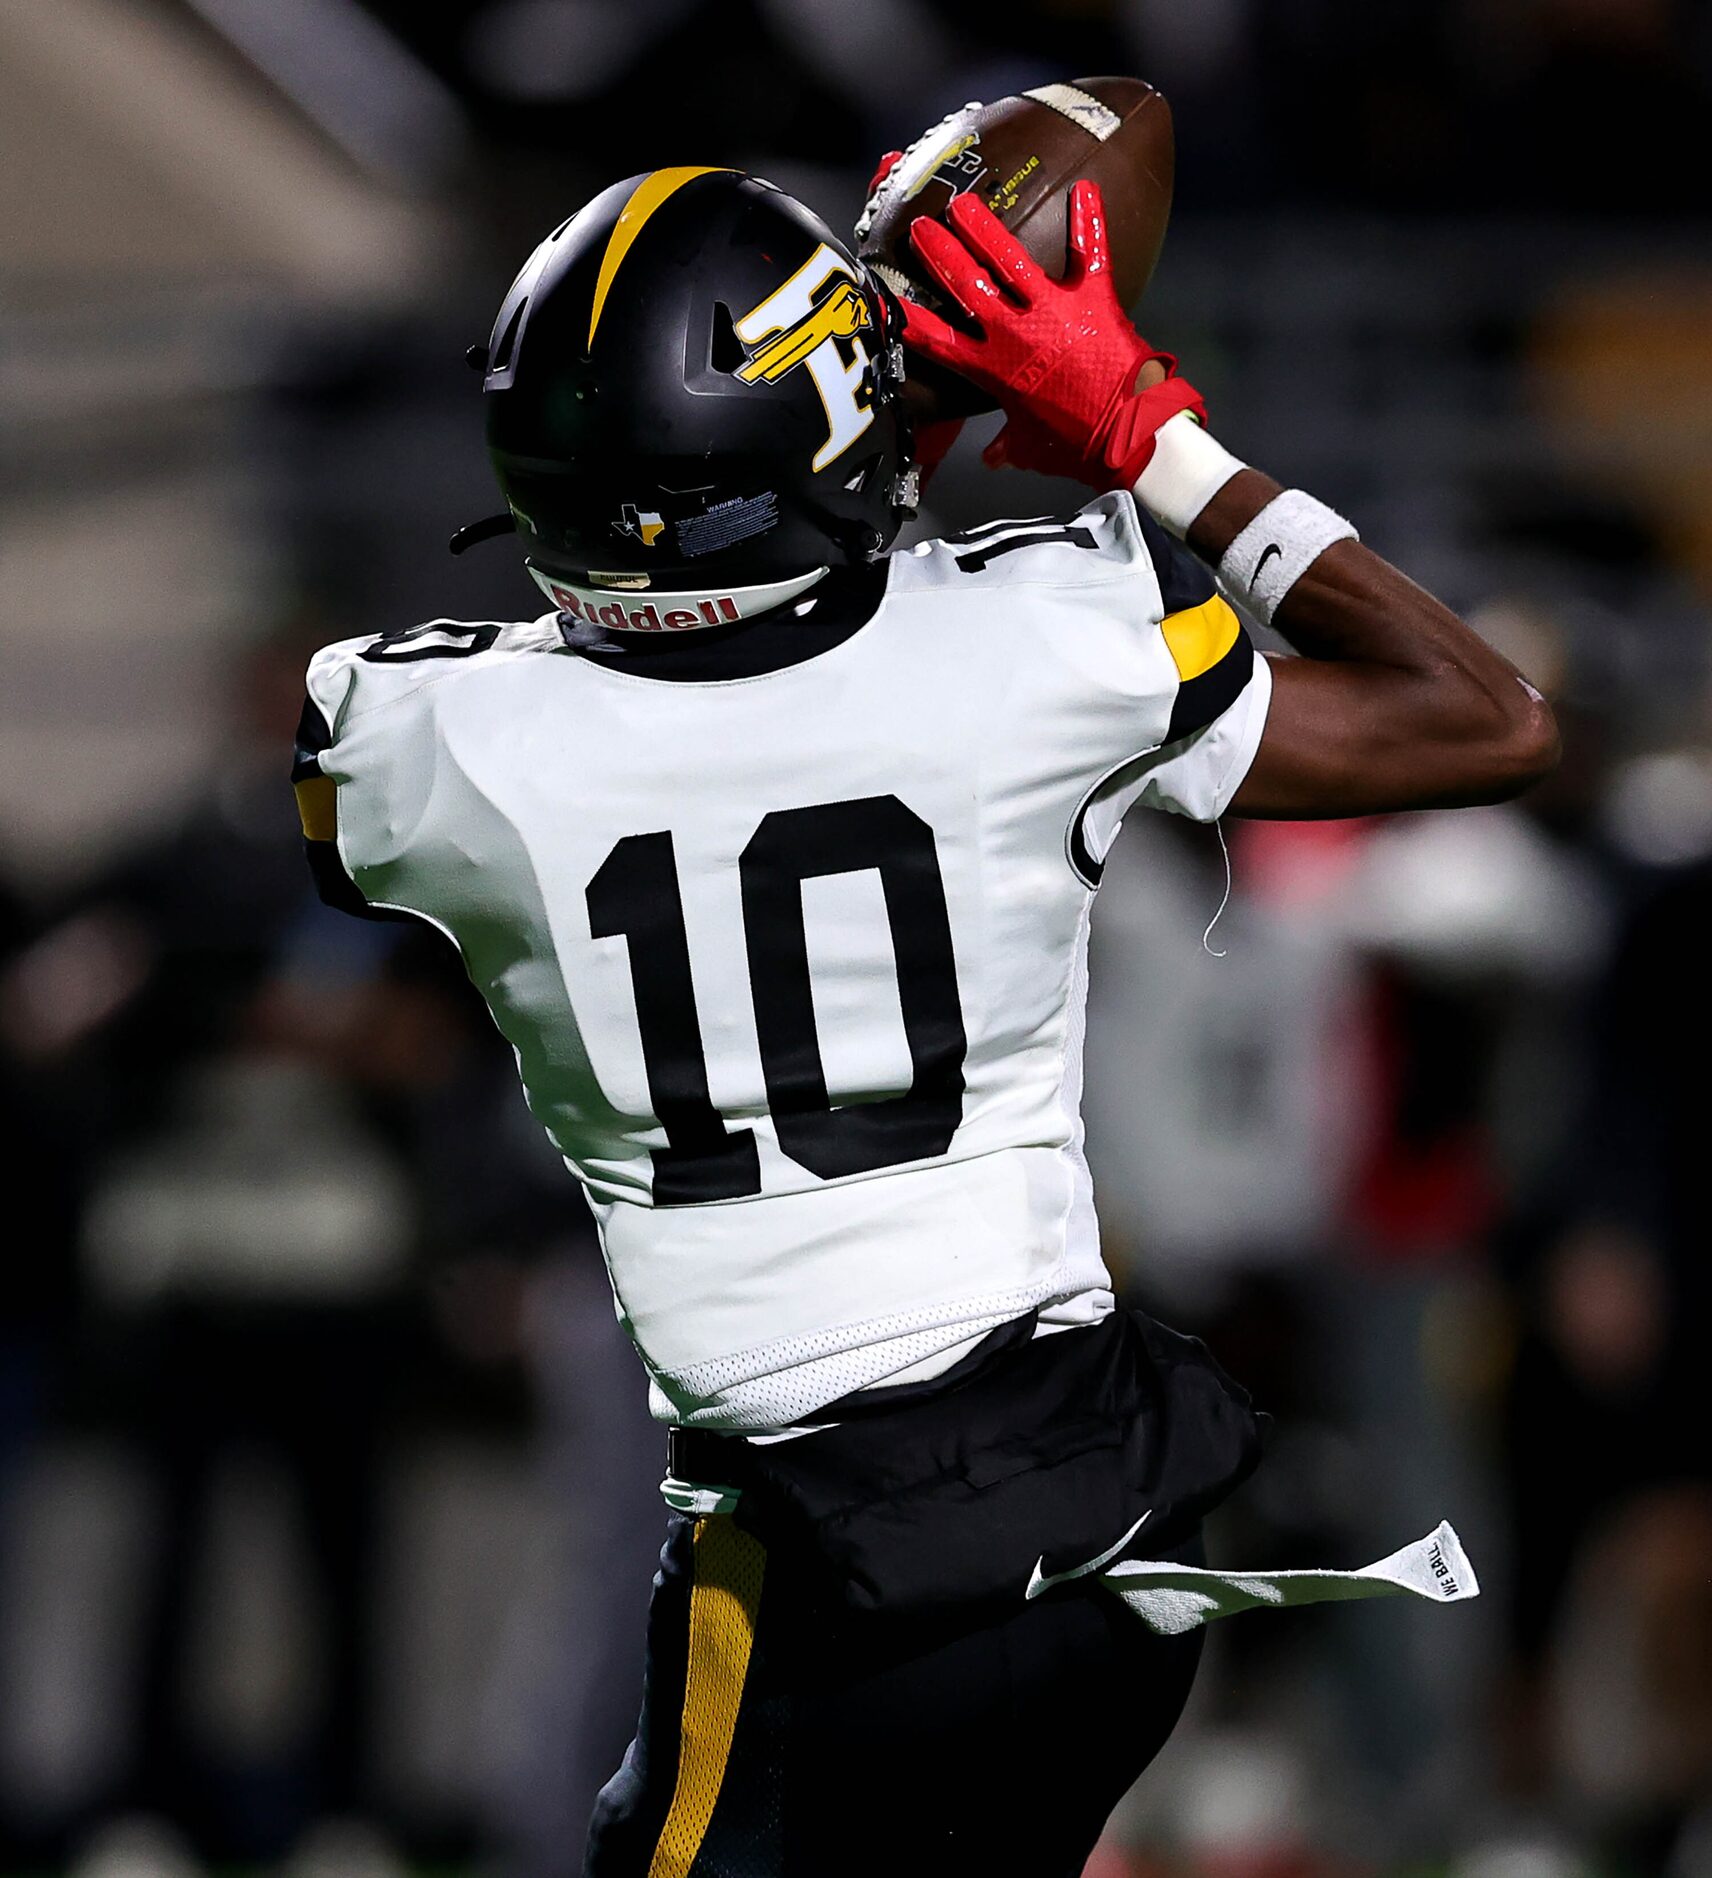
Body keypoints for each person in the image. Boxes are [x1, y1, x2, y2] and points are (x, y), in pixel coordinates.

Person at [292, 166, 1556, 1876]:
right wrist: (1142, 431)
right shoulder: (1039, 638)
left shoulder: (423, 748)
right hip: (1099, 1505)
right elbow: (1485, 718)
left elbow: (651, 668)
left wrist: (839, 447)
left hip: (825, 1555)